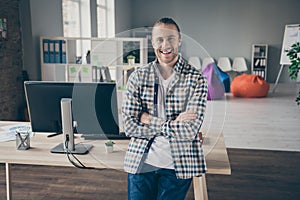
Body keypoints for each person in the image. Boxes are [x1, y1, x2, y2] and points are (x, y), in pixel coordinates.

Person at [122, 17, 208, 200]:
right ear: (153, 42)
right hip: (141, 163)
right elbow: (129, 125)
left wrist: (148, 119)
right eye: (159, 39)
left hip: (178, 165)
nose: (165, 44)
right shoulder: (137, 77)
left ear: (179, 40)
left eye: (170, 38)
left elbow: (189, 130)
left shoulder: (196, 79)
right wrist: (173, 122)